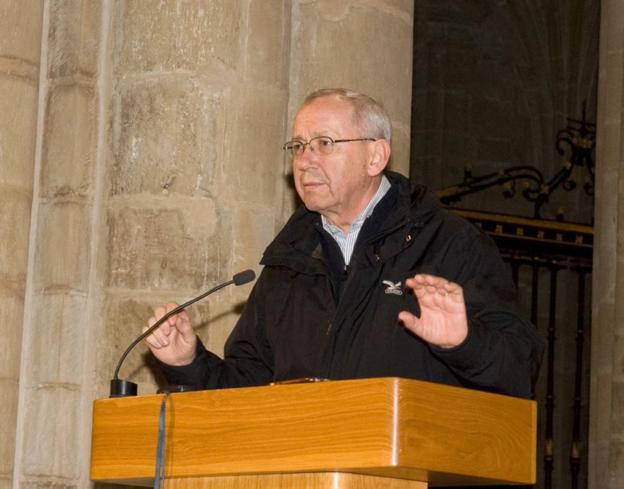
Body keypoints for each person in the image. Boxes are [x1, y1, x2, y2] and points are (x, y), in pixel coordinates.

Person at [144, 88, 543, 398]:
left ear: (375, 157)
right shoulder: (290, 261)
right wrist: (188, 363)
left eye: (324, 144)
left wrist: (464, 342)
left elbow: (520, 370)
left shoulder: (450, 243)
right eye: (298, 146)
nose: (304, 160)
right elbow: (249, 389)